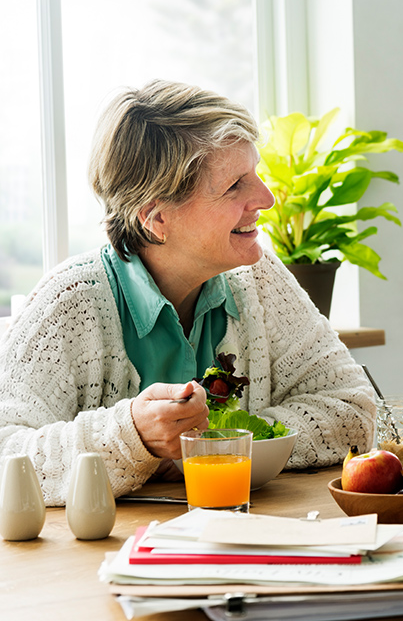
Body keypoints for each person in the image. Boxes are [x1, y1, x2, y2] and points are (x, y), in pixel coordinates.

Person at [0, 80, 377, 506]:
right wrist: (132, 436)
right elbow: (6, 455)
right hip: (103, 560)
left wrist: (210, 445)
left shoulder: (260, 278)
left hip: (246, 536)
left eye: (255, 174)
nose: (266, 198)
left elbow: (353, 410)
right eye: (235, 185)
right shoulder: (67, 302)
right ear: (157, 218)